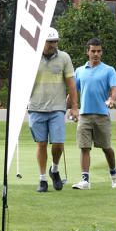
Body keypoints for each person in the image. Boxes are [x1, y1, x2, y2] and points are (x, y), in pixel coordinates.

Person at [27, 27, 78, 193]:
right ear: (43, 41)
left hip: (57, 107)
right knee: (41, 144)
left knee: (58, 144)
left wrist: (74, 106)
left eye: (56, 41)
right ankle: (42, 180)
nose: (54, 44)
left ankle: (54, 169)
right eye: (50, 42)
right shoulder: (31, 57)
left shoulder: (64, 58)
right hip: (36, 107)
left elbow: (71, 84)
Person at [72, 37, 116, 190]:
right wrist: (69, 107)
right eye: (93, 51)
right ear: (87, 52)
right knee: (84, 147)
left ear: (102, 52)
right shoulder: (79, 71)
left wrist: (112, 99)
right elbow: (74, 92)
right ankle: (85, 180)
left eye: (99, 51)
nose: (96, 54)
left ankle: (114, 175)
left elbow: (115, 89)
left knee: (106, 147)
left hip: (102, 115)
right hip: (84, 115)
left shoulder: (109, 70)